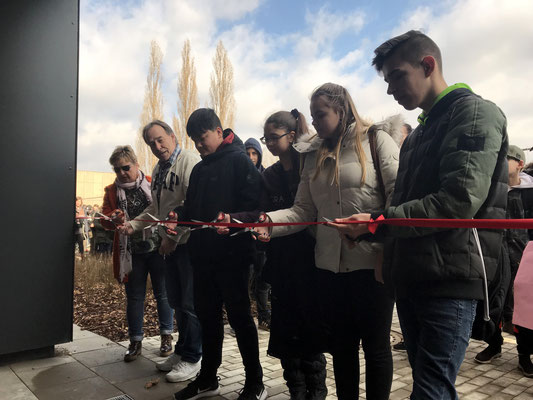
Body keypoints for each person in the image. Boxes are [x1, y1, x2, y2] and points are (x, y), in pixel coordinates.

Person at [329, 30, 508, 399]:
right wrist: (375, 233)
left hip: (450, 281)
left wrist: (378, 224)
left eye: (397, 75)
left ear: (428, 65)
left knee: (430, 390)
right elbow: (405, 205)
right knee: (429, 385)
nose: (391, 90)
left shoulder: (475, 113)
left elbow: (458, 201)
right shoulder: (415, 137)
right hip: (412, 277)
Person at [255, 83, 400, 400]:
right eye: (313, 116)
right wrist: (269, 222)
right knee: (342, 349)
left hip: (371, 266)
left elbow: (398, 204)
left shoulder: (377, 140)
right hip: (328, 269)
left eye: (321, 114)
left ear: (342, 110)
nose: (316, 122)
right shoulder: (311, 155)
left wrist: (382, 251)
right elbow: (302, 210)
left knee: (376, 349)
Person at [169, 109, 266, 400]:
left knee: (240, 319)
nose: (199, 146)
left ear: (219, 130)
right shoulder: (200, 169)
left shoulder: (239, 160)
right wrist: (178, 215)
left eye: (203, 139)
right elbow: (193, 209)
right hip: (202, 257)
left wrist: (233, 218)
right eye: (195, 142)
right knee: (208, 318)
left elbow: (257, 207)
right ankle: (208, 377)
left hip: (233, 256)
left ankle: (255, 382)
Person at [118, 120, 202, 382]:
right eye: (151, 143)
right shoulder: (160, 168)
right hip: (169, 246)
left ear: (172, 136)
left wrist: (173, 238)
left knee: (189, 304)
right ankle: (182, 351)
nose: (157, 146)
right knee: (176, 301)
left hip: (188, 245)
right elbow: (156, 209)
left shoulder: (189, 161)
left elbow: (194, 205)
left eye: (160, 139)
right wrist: (133, 225)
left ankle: (193, 358)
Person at [259, 109, 328, 399]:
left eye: (274, 138)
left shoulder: (310, 165)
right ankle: (296, 389)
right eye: (266, 139)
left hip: (312, 261)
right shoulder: (269, 175)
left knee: (310, 330)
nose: (270, 144)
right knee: (285, 331)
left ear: (291, 135)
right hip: (281, 261)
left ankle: (317, 390)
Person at [101, 145, 174, 362]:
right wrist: (111, 218)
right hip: (130, 252)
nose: (122, 173)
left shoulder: (154, 183)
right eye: (117, 169)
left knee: (163, 294)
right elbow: (105, 221)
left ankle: (167, 337)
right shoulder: (111, 191)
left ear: (136, 164)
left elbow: (166, 209)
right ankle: (135, 341)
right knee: (134, 297)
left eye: (126, 167)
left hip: (158, 248)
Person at [474, 145, 533, 373]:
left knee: (523, 307)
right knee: (492, 302)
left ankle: (523, 353)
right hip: (493, 255)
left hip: (524, 258)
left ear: (519, 163)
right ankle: (493, 343)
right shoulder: (490, 191)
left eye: (506, 159)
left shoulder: (529, 191)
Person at [244, 137, 271, 330]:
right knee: (245, 280)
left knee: (263, 280)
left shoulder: (266, 177)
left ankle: (264, 316)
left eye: (255, 153)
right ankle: (243, 321)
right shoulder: (239, 178)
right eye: (248, 153)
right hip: (243, 237)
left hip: (261, 238)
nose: (251, 157)